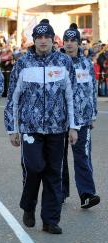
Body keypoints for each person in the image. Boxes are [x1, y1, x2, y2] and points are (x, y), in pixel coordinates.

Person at [4, 19, 80, 234]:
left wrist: (73, 126)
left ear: (53, 40)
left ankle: (50, 220)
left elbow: (71, 96)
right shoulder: (23, 63)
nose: (43, 41)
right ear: (34, 40)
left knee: (54, 173)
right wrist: (13, 129)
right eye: (39, 37)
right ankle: (28, 205)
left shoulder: (64, 62)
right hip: (30, 127)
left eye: (47, 37)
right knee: (35, 167)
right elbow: (13, 98)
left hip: (58, 128)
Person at [61, 23, 100, 208]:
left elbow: (92, 90)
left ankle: (87, 193)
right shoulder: (57, 61)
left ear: (78, 43)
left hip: (83, 119)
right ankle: (59, 193)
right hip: (59, 120)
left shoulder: (86, 63)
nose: (69, 44)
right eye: (66, 40)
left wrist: (93, 115)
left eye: (72, 40)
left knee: (83, 157)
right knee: (59, 158)